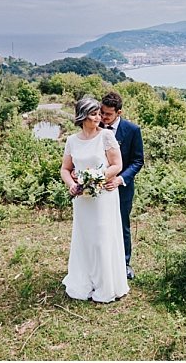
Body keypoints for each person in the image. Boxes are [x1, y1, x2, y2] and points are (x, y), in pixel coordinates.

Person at [61, 96, 129, 302]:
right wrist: (73, 185)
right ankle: (85, 280)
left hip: (103, 196)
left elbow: (117, 165)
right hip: (83, 199)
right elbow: (65, 169)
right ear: (82, 116)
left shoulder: (106, 137)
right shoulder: (72, 141)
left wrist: (97, 178)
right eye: (94, 114)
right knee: (85, 237)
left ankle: (105, 283)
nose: (99, 117)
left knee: (101, 238)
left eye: (99, 113)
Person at [100, 91, 144, 280]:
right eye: (102, 112)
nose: (103, 117)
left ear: (119, 112)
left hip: (123, 187)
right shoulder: (96, 127)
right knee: (100, 224)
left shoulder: (132, 130)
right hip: (99, 186)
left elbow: (137, 161)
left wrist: (120, 179)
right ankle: (102, 261)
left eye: (108, 114)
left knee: (122, 223)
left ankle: (124, 263)